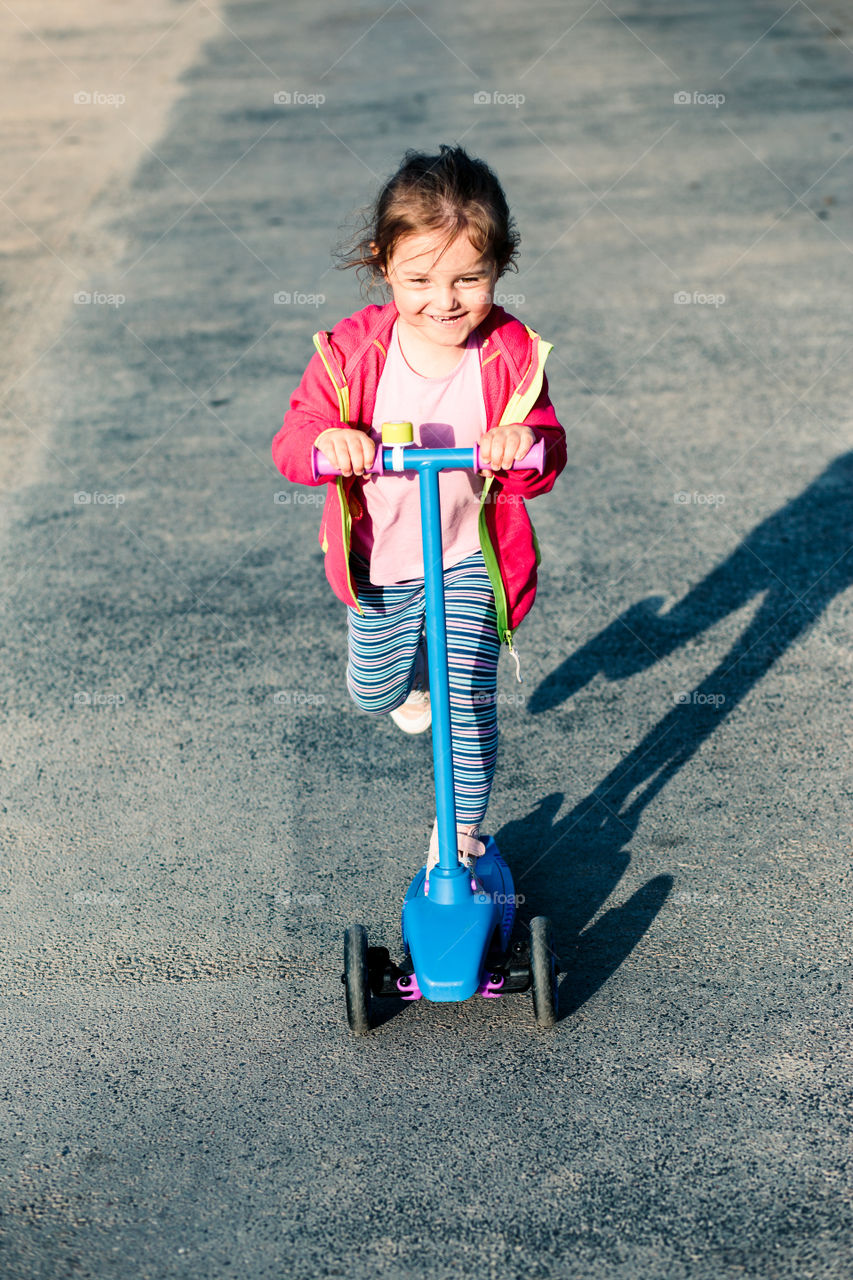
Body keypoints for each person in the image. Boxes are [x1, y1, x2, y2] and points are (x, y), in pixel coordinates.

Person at [272, 143, 566, 886]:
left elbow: (548, 452)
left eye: (469, 278)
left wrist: (524, 442)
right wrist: (326, 444)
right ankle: (406, 683)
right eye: (420, 280)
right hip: (382, 563)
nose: (445, 300)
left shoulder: (508, 353)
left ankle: (457, 836)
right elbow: (292, 442)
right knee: (373, 692)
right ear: (382, 265)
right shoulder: (350, 353)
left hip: (469, 554)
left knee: (466, 701)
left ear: (500, 266)